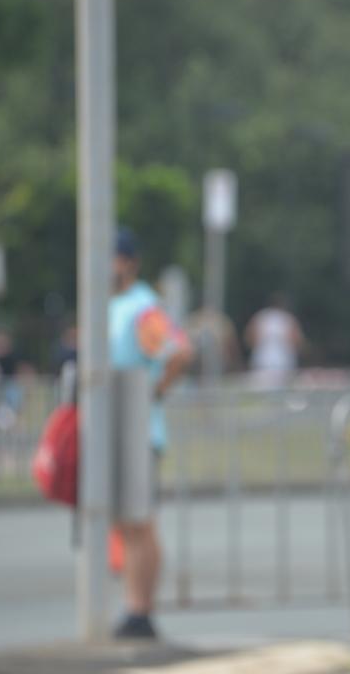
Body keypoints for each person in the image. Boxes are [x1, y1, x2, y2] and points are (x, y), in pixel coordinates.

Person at [109, 227, 193, 639]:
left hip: (138, 430)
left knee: (139, 522)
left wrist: (154, 393)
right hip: (120, 428)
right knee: (127, 523)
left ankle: (140, 610)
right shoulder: (113, 304)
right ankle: (133, 606)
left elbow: (178, 350)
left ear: (127, 261)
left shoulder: (141, 307)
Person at [244, 292, 305, 389]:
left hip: (262, 360)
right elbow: (297, 341)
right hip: (283, 361)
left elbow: (249, 338)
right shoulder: (288, 319)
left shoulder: (260, 317)